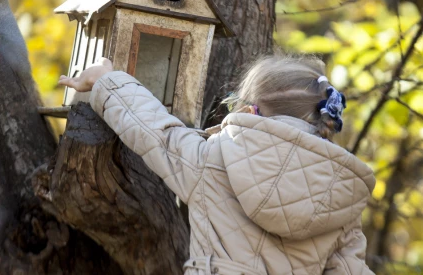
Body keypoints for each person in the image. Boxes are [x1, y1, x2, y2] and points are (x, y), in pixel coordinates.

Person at [59, 55, 376, 275]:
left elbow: (155, 130)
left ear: (249, 111)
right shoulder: (339, 194)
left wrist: (106, 80)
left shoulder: (214, 160)